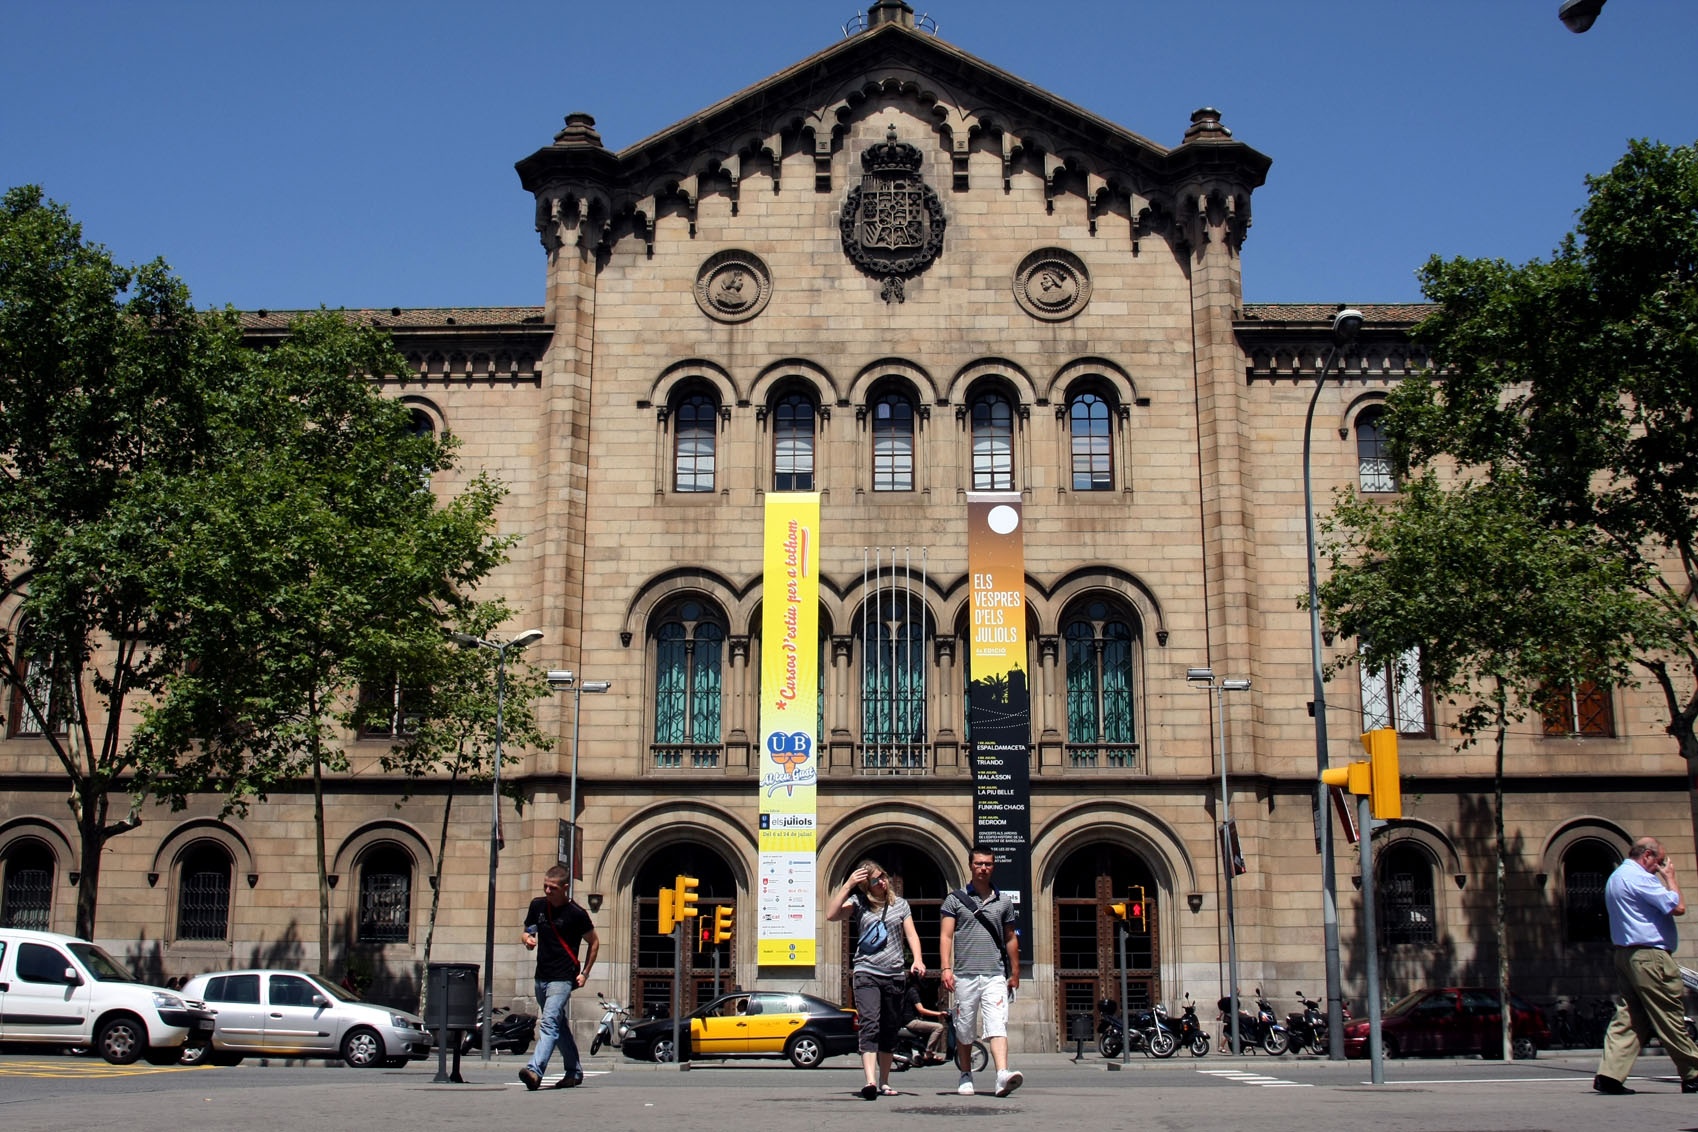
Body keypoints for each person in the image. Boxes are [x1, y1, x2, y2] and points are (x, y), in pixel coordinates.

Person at [1594, 836, 1698, 1095]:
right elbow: (1678, 907)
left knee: (1630, 1017)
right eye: (1659, 861)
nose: (1660, 867)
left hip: (1625, 955)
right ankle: (1693, 1072)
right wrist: (1670, 878)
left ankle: (1610, 1074)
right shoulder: (1641, 878)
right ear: (1647, 856)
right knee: (1669, 1015)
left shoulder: (1616, 877)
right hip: (1650, 957)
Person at [827, 858, 926, 1099]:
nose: (882, 882)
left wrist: (918, 959)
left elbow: (911, 934)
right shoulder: (859, 903)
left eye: (882, 876)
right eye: (875, 880)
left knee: (889, 1028)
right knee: (870, 1023)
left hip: (894, 974)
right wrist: (848, 885)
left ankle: (884, 1081)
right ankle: (870, 1081)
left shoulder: (900, 904)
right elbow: (831, 914)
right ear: (866, 885)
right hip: (867, 972)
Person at [939, 844, 1022, 1097]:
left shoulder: (1003, 901)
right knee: (964, 1028)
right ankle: (966, 1074)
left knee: (997, 1024)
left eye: (988, 864)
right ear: (970, 866)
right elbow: (946, 935)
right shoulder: (955, 899)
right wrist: (946, 968)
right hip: (965, 974)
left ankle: (1002, 1075)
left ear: (993, 866)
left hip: (994, 974)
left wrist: (1015, 972)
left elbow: (1010, 937)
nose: (983, 868)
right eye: (979, 864)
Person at [519, 864, 599, 1091]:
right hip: (541, 976)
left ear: (565, 888)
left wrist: (585, 973)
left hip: (562, 978)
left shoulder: (577, 914)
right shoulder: (538, 905)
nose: (547, 891)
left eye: (552, 888)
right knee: (558, 1024)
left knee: (549, 1022)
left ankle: (535, 1071)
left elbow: (594, 942)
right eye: (545, 886)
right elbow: (527, 931)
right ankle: (574, 1071)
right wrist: (527, 940)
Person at [900, 974, 949, 1064]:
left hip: (908, 1020)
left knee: (929, 1025)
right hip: (911, 1021)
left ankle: (921, 1050)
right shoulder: (913, 992)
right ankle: (929, 1052)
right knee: (939, 1027)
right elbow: (921, 1010)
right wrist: (939, 1013)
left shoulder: (908, 990)